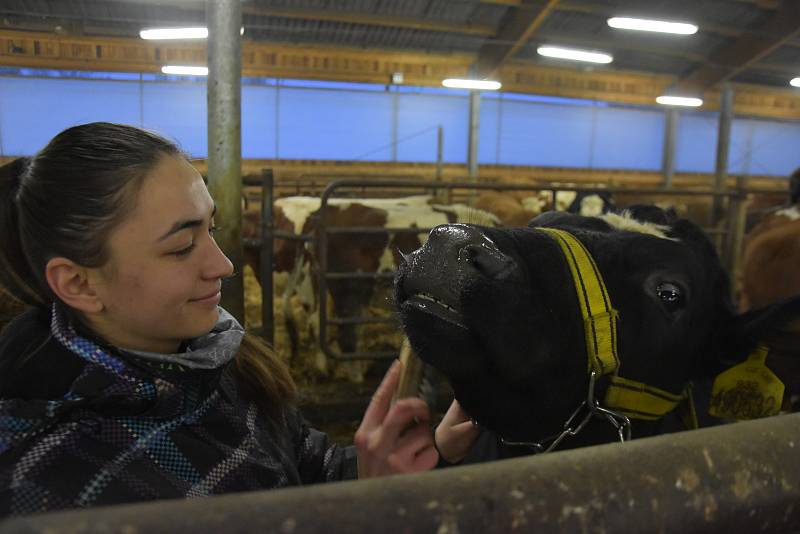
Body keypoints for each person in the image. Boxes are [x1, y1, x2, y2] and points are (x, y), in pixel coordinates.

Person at [0, 122, 479, 517]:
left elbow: (308, 472)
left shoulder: (213, 359)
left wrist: (405, 460)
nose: (224, 265)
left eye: (212, 228)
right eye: (181, 246)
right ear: (79, 284)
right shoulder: (48, 485)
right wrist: (369, 510)